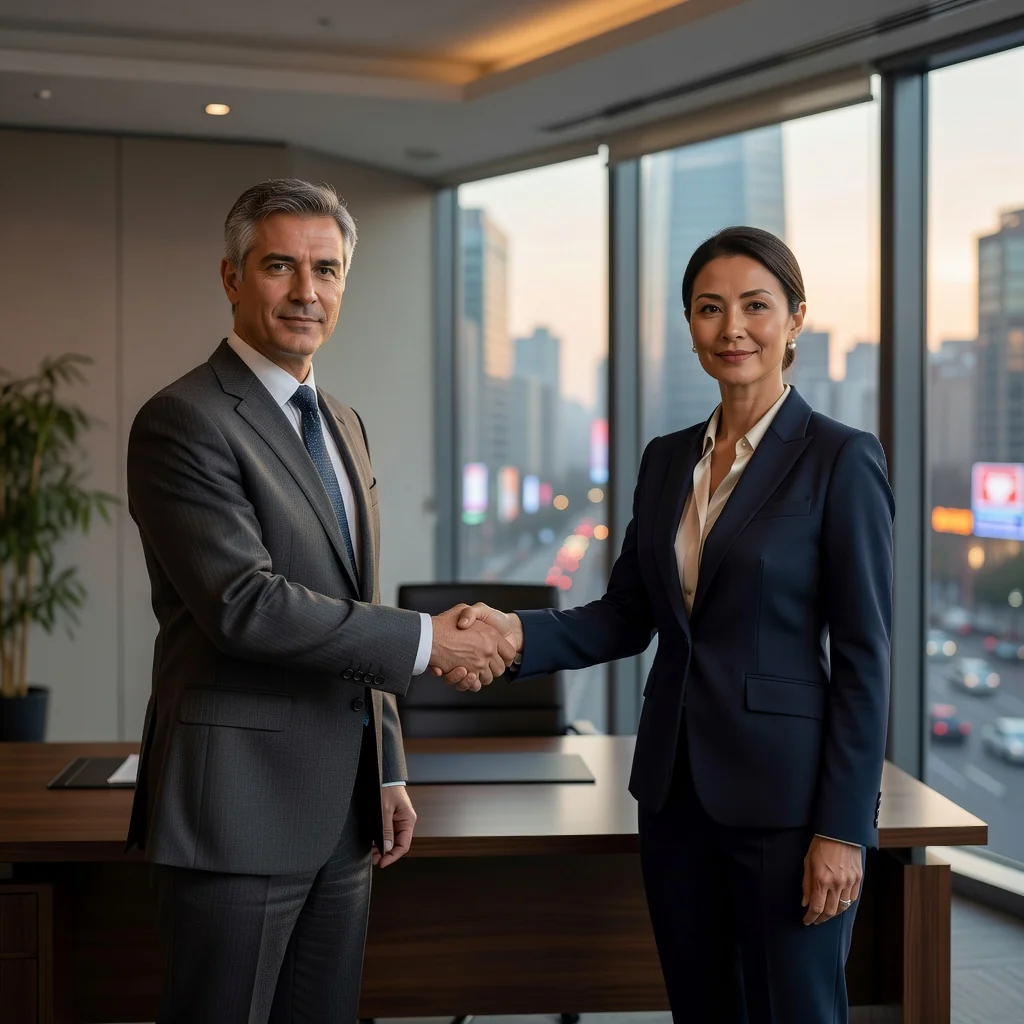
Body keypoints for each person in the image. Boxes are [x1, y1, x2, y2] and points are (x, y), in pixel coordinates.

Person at [446, 226, 894, 1023]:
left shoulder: (840, 458)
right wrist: (514, 635)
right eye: (709, 308)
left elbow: (865, 658)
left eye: (756, 306)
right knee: (699, 1007)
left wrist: (844, 829)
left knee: (796, 1009)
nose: (733, 329)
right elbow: (627, 614)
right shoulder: (665, 461)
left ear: (795, 319)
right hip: (674, 797)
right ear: (688, 326)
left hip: (788, 806)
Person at [125, 178, 514, 1024]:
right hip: (236, 807)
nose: (307, 292)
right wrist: (427, 642)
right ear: (232, 277)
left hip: (344, 812)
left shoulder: (341, 419)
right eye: (280, 266)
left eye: (327, 270)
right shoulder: (184, 420)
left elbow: (349, 601)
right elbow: (245, 604)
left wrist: (391, 765)